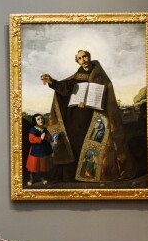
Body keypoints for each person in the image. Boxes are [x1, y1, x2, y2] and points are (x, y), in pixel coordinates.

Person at [40, 50, 136, 183]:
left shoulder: (101, 77)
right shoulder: (77, 77)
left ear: (89, 57)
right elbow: (65, 88)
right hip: (77, 118)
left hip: (96, 116)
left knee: (98, 145)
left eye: (84, 56)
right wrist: (52, 81)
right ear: (78, 61)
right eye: (80, 58)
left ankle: (95, 174)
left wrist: (92, 102)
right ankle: (77, 175)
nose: (83, 60)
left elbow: (108, 97)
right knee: (76, 143)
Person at [26, 113, 53, 186]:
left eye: (41, 118)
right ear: (35, 121)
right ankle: (31, 180)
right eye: (38, 119)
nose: (41, 120)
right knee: (33, 166)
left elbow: (49, 137)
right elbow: (31, 139)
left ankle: (42, 178)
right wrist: (40, 138)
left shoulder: (44, 129)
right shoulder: (33, 129)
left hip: (44, 150)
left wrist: (48, 137)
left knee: (42, 165)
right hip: (35, 150)